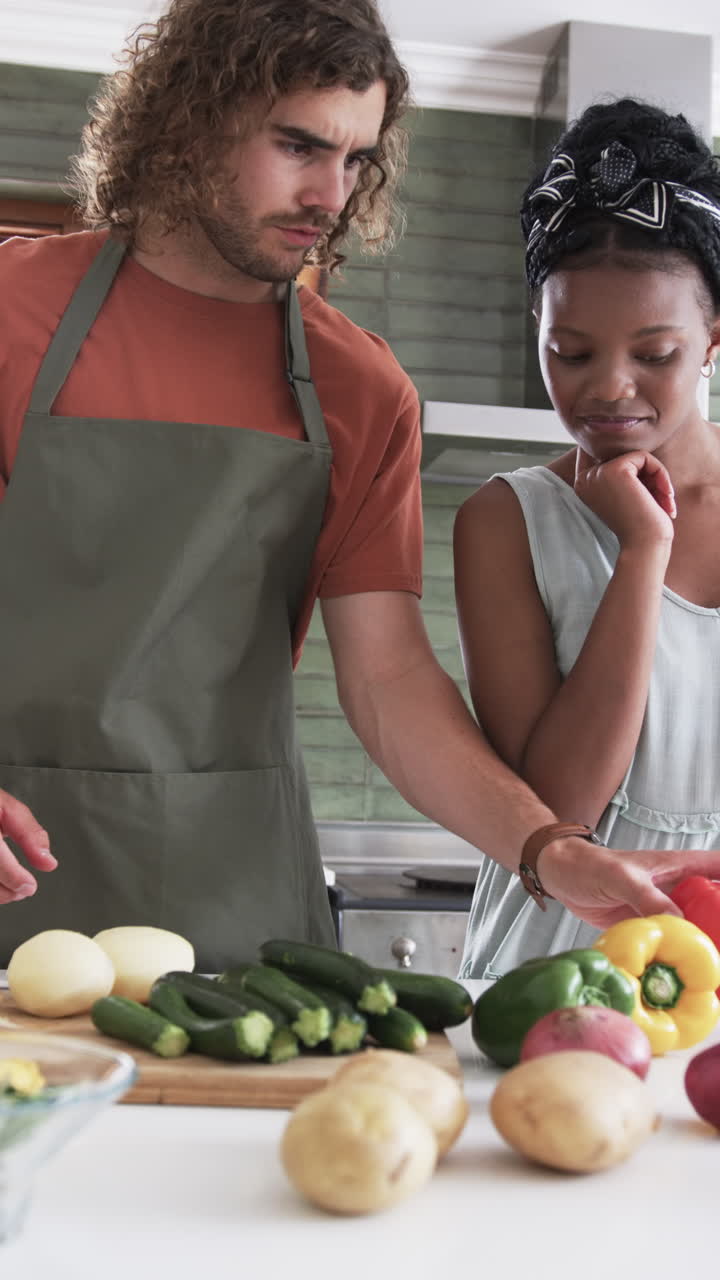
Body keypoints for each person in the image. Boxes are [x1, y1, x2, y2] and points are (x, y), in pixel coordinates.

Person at [2, 11, 718, 974]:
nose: (330, 194)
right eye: (300, 144)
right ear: (188, 119)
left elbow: (388, 683)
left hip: (230, 886)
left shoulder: (359, 388)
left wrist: (546, 850)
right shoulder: (13, 313)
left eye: (355, 158)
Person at [457, 97, 720, 979]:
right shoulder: (506, 520)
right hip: (550, 967)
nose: (609, 389)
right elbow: (560, 805)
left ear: (713, 341)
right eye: (570, 352)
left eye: (655, 354)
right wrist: (641, 556)